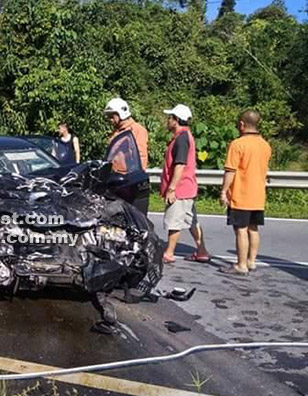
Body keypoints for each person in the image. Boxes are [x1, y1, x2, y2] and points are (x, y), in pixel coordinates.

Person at [219, 110, 272, 276]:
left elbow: (230, 171)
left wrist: (223, 191)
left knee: (240, 229)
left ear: (242, 124)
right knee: (253, 228)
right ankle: (251, 261)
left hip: (241, 194)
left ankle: (241, 265)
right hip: (258, 195)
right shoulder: (265, 145)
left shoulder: (238, 144)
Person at [159, 104, 210, 264]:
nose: (168, 121)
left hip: (180, 188)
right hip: (188, 187)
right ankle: (202, 251)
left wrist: (172, 188)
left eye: (170, 118)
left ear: (176, 120)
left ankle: (169, 253)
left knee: (175, 221)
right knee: (191, 221)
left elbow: (179, 165)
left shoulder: (181, 139)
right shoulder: (184, 136)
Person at [104, 97, 149, 170]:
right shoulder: (116, 132)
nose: (110, 120)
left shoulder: (137, 130)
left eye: (112, 116)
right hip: (112, 176)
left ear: (121, 114)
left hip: (127, 178)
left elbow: (141, 157)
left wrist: (136, 177)